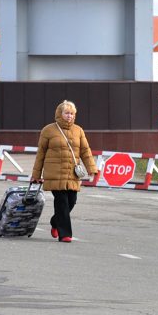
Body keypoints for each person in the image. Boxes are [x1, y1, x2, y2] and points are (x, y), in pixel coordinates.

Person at [30, 100, 97, 243]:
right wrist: (36, 174)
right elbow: (40, 153)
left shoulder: (78, 130)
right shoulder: (48, 130)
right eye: (67, 113)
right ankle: (65, 234)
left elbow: (85, 151)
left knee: (72, 201)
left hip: (71, 173)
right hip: (54, 173)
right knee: (62, 202)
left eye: (72, 114)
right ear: (59, 113)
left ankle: (55, 222)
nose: (70, 116)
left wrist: (92, 168)